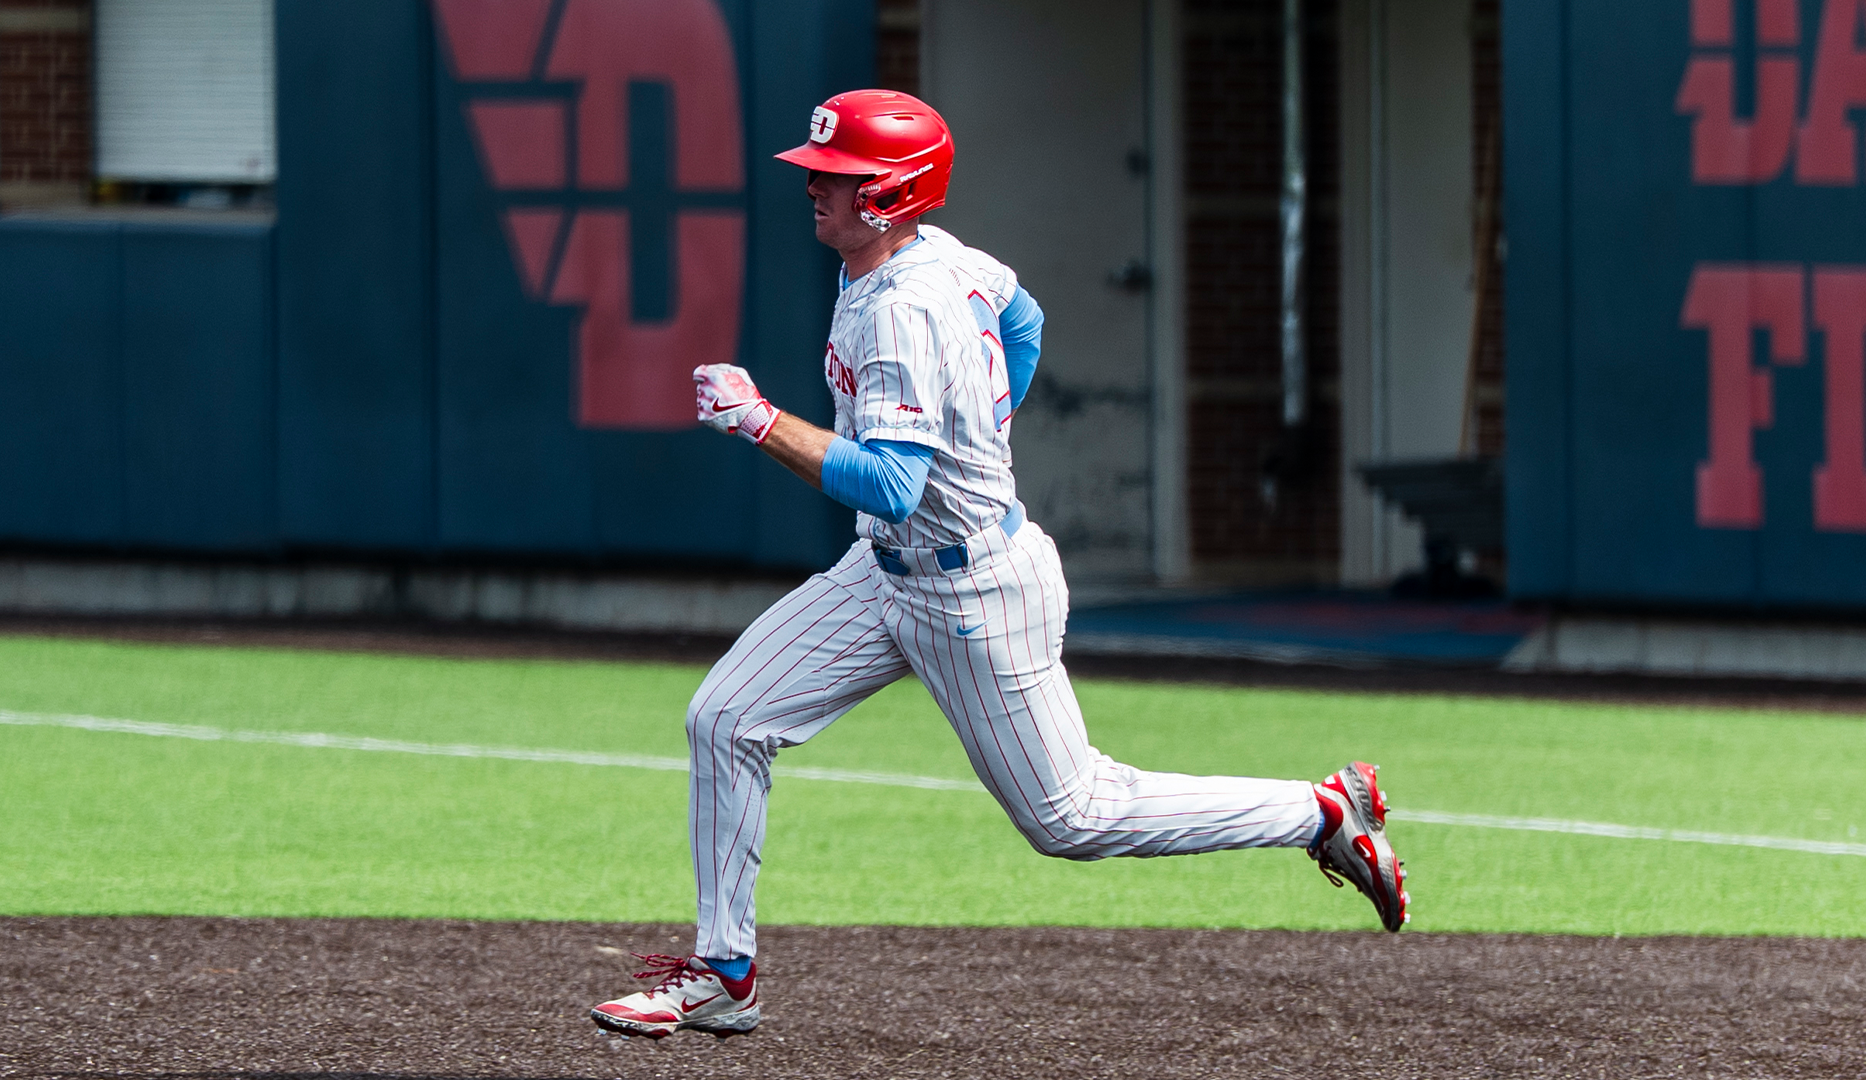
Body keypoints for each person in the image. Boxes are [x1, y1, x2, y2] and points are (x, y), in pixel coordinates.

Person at [589, 90, 1409, 1040]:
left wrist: (760, 421)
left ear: (891, 193)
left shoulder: (902, 305)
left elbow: (891, 483)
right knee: (726, 718)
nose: (814, 187)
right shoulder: (941, 257)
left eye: (837, 178)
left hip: (973, 589)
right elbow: (1026, 321)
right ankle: (726, 973)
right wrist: (986, 420)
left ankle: (1319, 811)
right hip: (883, 574)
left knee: (1075, 818)